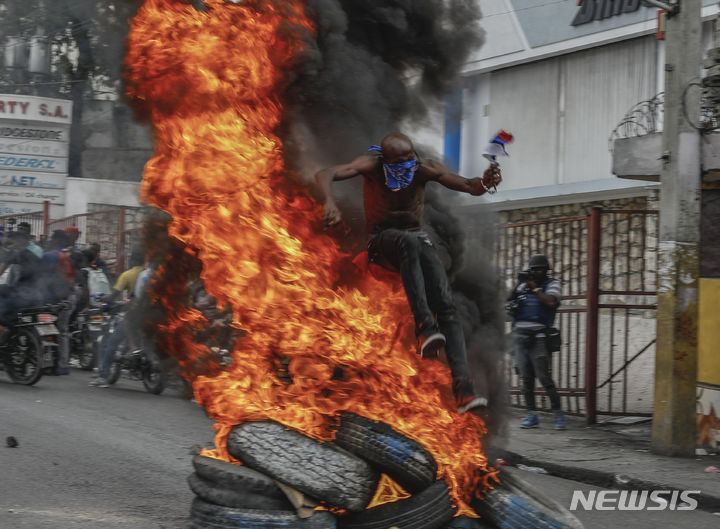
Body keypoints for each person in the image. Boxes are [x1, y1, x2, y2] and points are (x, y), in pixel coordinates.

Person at [314, 132, 502, 415]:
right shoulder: (372, 165)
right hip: (381, 244)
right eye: (398, 162)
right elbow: (326, 173)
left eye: (409, 160)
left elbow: (467, 185)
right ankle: (425, 329)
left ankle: (464, 391)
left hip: (415, 241)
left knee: (447, 307)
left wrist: (485, 183)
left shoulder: (423, 168)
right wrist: (330, 201)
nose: (406, 167)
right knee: (410, 241)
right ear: (385, 159)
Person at [507, 254, 565, 429]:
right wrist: (519, 284)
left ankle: (558, 415)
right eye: (533, 270)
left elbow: (550, 302)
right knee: (525, 379)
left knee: (544, 377)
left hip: (539, 337)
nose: (536, 272)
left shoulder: (552, 284)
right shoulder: (524, 286)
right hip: (519, 336)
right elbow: (507, 301)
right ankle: (531, 415)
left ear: (546, 270)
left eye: (540, 269)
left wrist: (534, 288)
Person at [89, 250, 145, 388]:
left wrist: (102, 298)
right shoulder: (148, 274)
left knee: (112, 342)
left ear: (131, 260)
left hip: (134, 314)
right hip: (150, 314)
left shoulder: (128, 275)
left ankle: (103, 377)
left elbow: (113, 296)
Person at [42, 230, 78, 375]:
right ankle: (62, 365)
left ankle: (47, 364)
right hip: (68, 297)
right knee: (62, 332)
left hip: (53, 299)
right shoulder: (67, 256)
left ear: (55, 240)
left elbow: (43, 277)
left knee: (45, 330)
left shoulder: (50, 256)